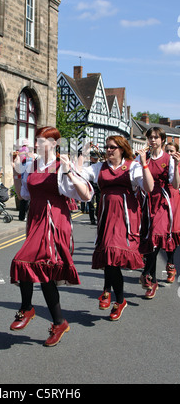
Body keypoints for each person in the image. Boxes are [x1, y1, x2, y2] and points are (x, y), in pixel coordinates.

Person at [10, 126, 93, 346]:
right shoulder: (33, 165)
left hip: (54, 221)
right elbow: (22, 194)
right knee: (44, 272)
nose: (37, 144)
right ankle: (59, 322)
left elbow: (85, 195)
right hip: (36, 218)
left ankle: (27, 309)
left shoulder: (60, 166)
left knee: (24, 261)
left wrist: (68, 171)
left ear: (54, 144)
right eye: (37, 140)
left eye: (42, 140)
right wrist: (16, 172)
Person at [83, 135, 154, 320]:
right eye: (106, 147)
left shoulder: (133, 167)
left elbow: (149, 187)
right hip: (106, 216)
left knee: (113, 255)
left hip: (125, 217)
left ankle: (118, 298)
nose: (108, 150)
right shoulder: (99, 167)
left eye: (112, 147)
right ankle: (112, 295)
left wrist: (145, 164)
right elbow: (80, 174)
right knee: (108, 255)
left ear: (121, 149)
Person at [139, 128, 180, 298]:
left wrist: (176, 166)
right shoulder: (142, 156)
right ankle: (152, 281)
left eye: (156, 137)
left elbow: (176, 185)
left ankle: (147, 273)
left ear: (162, 140)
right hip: (146, 199)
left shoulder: (169, 159)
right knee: (148, 241)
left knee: (156, 235)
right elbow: (134, 177)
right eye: (150, 137)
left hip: (163, 201)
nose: (152, 140)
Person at [165, 142, 180, 282]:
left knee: (172, 234)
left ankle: (170, 264)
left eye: (172, 151)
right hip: (161, 200)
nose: (169, 154)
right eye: (167, 151)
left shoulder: (177, 165)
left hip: (174, 199)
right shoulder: (162, 164)